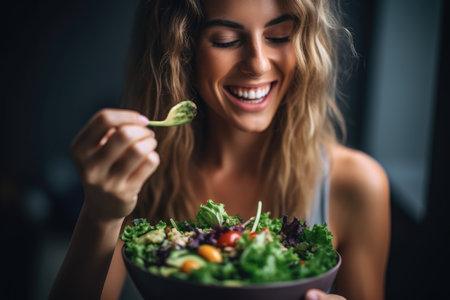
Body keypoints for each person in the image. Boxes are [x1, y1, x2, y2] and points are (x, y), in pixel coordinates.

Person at [49, 0, 390, 299]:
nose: (257, 63)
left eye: (279, 36)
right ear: (181, 51)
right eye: (226, 40)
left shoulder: (357, 184)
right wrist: (101, 214)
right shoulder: (141, 172)